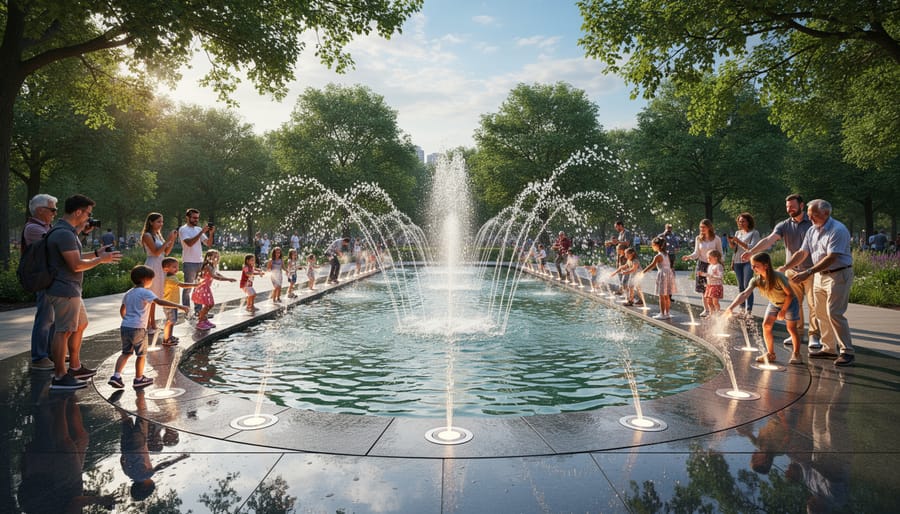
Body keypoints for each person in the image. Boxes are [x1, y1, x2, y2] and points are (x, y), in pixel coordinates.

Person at [44, 194, 122, 390]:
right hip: (64, 289)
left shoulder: (68, 232)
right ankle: (60, 376)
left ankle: (75, 367)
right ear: (78, 212)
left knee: (80, 324)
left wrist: (95, 254)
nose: (89, 217)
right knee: (63, 330)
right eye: (88, 213)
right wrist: (100, 260)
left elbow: (74, 256)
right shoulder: (64, 234)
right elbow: (76, 264)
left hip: (71, 288)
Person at [743, 194, 820, 351]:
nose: (789, 209)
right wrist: (752, 251)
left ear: (801, 206)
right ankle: (797, 333)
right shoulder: (784, 225)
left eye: (792, 206)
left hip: (811, 270)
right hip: (791, 271)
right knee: (795, 303)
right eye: (787, 207)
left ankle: (814, 335)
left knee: (813, 305)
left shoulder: (812, 222)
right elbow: (769, 240)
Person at [784, 199, 855, 366]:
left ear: (826, 213)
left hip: (838, 274)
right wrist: (785, 267)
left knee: (834, 313)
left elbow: (832, 257)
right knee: (820, 312)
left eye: (814, 215)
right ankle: (829, 348)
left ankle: (847, 351)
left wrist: (808, 272)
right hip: (819, 276)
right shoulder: (812, 230)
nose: (810, 218)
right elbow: (802, 253)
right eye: (809, 215)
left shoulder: (838, 230)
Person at [107, 265, 189, 389]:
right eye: (151, 279)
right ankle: (139, 379)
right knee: (141, 355)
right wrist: (179, 306)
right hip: (138, 328)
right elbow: (160, 302)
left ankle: (116, 376)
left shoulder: (128, 293)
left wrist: (127, 320)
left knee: (126, 353)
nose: (152, 282)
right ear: (145, 279)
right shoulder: (145, 292)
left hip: (125, 327)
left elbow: (122, 310)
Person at [725, 252, 803, 365]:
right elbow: (744, 294)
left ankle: (796, 354)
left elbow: (790, 295)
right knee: (766, 326)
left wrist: (783, 311)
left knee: (791, 329)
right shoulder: (756, 280)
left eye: (756, 266)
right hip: (774, 303)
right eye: (752, 265)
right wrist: (731, 307)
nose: (753, 268)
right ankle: (771, 354)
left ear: (765, 265)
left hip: (789, 303)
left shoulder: (778, 277)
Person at [21, 193, 58, 371]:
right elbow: (54, 247)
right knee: (44, 318)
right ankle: (39, 357)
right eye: (52, 209)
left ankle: (51, 352)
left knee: (52, 318)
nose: (55, 213)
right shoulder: (33, 229)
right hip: (42, 278)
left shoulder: (47, 227)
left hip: (50, 277)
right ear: (40, 210)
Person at [141, 212, 177, 333]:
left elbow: (166, 252)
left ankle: (152, 324)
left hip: (160, 265)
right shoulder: (147, 235)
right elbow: (155, 252)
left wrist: (172, 240)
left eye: (162, 222)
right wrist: (168, 240)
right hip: (152, 265)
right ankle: (148, 325)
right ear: (151, 222)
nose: (161, 224)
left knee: (156, 295)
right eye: (158, 221)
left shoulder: (157, 235)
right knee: (151, 296)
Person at [682, 218, 723, 315]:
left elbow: (720, 253)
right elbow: (696, 253)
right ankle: (706, 309)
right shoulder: (698, 238)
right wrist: (689, 257)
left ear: (709, 227)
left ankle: (715, 310)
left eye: (704, 227)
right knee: (703, 289)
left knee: (712, 288)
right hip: (702, 265)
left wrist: (720, 265)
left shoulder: (716, 239)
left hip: (712, 266)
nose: (702, 229)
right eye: (700, 227)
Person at [178, 208, 215, 315]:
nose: (196, 220)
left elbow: (208, 244)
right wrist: (201, 232)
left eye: (197, 218)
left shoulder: (198, 229)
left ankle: (198, 311)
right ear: (187, 217)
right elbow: (189, 243)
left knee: (199, 287)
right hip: (189, 262)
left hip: (199, 262)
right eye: (194, 218)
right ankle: (187, 312)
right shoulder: (183, 229)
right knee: (188, 288)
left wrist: (211, 234)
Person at [191, 250, 236, 330]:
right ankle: (200, 322)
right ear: (208, 257)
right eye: (215, 256)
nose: (217, 258)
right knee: (209, 304)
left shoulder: (213, 266)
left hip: (206, 288)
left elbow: (217, 274)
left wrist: (227, 278)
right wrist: (228, 279)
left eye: (218, 256)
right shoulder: (208, 266)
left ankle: (204, 320)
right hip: (202, 288)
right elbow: (215, 276)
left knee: (209, 305)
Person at [161, 258, 198, 346]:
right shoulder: (170, 278)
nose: (177, 269)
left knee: (172, 321)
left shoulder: (172, 277)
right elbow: (182, 285)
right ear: (166, 269)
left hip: (172, 304)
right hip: (169, 304)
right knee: (171, 321)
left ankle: (169, 336)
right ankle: (166, 339)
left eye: (177, 266)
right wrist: (195, 285)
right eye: (174, 267)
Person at [728, 212, 760, 313]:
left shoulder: (754, 233)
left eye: (743, 221)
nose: (740, 223)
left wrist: (738, 241)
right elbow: (735, 248)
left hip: (748, 261)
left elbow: (752, 247)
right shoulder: (738, 233)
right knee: (741, 286)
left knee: (747, 286)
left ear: (748, 222)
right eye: (739, 221)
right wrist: (731, 242)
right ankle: (742, 309)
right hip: (737, 261)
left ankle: (748, 310)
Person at [642, 236, 675, 319]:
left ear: (657, 246)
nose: (652, 246)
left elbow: (652, 265)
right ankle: (667, 313)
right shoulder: (666, 254)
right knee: (667, 296)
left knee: (661, 296)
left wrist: (643, 272)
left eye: (653, 245)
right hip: (669, 274)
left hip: (663, 275)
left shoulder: (658, 256)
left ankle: (662, 314)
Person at [699, 249, 724, 316]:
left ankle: (718, 314)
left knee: (715, 302)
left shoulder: (718, 266)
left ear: (715, 258)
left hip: (716, 286)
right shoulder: (710, 266)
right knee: (709, 302)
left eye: (709, 258)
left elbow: (720, 276)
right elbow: (709, 275)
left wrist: (709, 275)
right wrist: (703, 274)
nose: (708, 259)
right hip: (710, 286)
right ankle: (711, 314)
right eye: (707, 258)